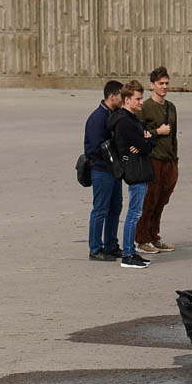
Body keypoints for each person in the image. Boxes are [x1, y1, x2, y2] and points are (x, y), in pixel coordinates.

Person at [107, 80, 154, 269]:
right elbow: (144, 145)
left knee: (136, 212)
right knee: (134, 213)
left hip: (140, 168)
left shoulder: (133, 119)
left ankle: (130, 252)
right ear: (127, 100)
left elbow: (150, 140)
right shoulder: (125, 121)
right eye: (138, 99)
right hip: (135, 171)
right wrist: (145, 141)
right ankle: (128, 255)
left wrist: (147, 139)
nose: (141, 102)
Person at [136, 66, 179, 255]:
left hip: (169, 160)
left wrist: (175, 159)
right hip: (152, 160)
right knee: (149, 200)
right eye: (160, 83)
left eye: (166, 83)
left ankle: (154, 235)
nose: (164, 87)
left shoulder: (171, 107)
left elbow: (174, 135)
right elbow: (137, 134)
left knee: (162, 200)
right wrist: (157, 132)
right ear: (152, 85)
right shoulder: (144, 107)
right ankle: (142, 239)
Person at [83, 80, 125, 261]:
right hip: (101, 170)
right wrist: (111, 152)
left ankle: (111, 244)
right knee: (100, 209)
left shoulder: (114, 114)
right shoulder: (97, 118)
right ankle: (95, 248)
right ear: (112, 96)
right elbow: (93, 148)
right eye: (121, 96)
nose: (123, 99)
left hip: (114, 170)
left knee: (115, 208)